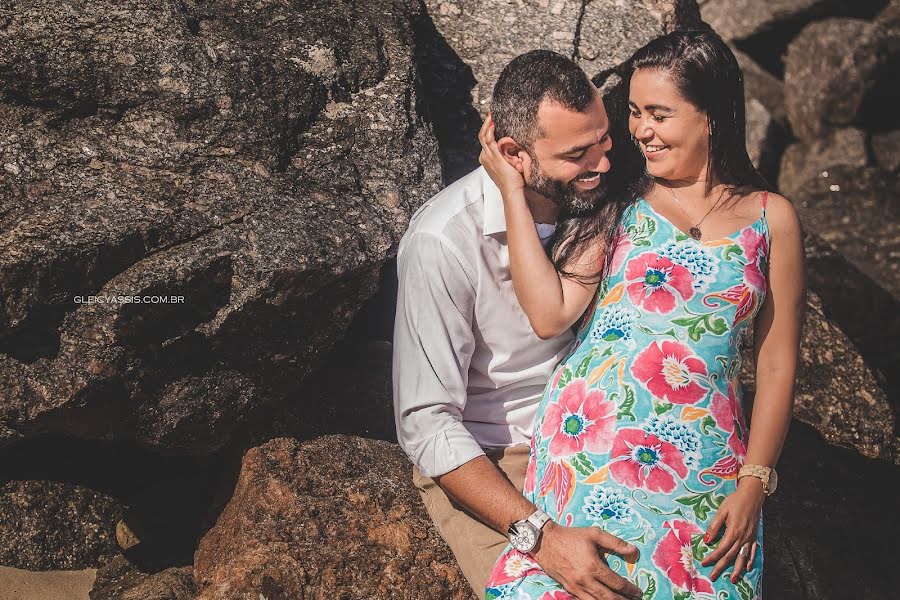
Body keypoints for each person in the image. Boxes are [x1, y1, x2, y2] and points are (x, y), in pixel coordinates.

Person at [479, 30, 805, 599]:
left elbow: (777, 363)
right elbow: (551, 313)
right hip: (594, 442)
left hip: (707, 459)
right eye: (633, 112)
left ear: (711, 117)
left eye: (659, 113)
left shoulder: (771, 219)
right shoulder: (620, 198)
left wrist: (755, 480)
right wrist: (512, 189)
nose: (639, 131)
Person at [392, 50, 644, 599]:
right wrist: (541, 535)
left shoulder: (609, 194)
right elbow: (427, 423)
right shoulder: (442, 242)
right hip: (501, 460)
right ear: (512, 154)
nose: (601, 163)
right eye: (577, 154)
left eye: (603, 140)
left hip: (603, 437)